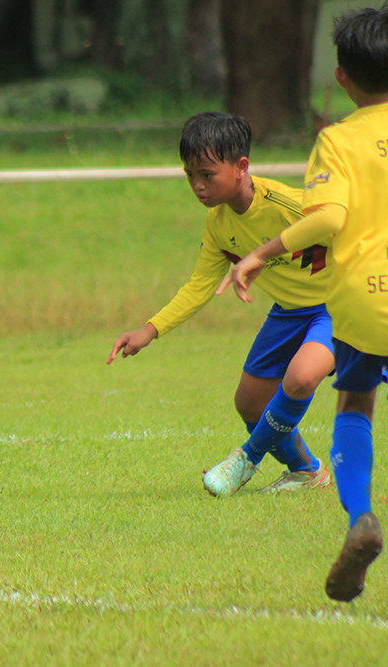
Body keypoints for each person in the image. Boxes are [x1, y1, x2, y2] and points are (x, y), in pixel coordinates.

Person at [218, 6, 388, 601]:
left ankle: (361, 514)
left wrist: (262, 251)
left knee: (356, 401)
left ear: (341, 77)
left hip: (366, 299)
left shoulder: (337, 140)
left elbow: (332, 216)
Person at [107, 111, 334, 497]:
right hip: (289, 313)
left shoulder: (286, 205)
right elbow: (200, 285)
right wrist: (150, 329)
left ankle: (245, 460)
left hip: (339, 306)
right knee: (248, 403)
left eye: (207, 174)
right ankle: (306, 471)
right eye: (189, 175)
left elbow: (342, 222)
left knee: (301, 377)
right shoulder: (218, 224)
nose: (197, 186)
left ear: (241, 167)